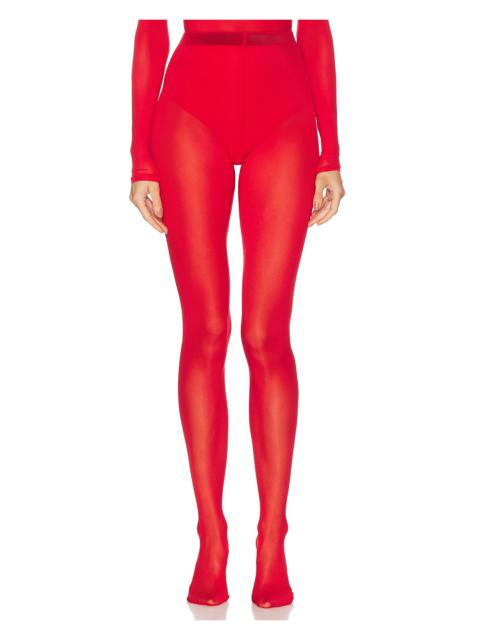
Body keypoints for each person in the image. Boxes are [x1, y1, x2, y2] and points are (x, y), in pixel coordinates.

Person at [129, 19, 345, 609]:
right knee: (206, 331)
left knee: (264, 335)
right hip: (190, 108)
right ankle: (211, 540)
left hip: (285, 104)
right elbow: (150, 24)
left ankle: (272, 543)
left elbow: (316, 22)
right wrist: (140, 159)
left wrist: (331, 151)